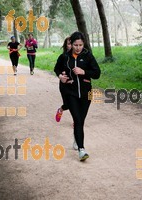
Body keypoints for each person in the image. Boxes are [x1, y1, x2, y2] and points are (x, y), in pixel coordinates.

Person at [54, 32, 101, 161]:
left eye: (80, 45)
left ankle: (76, 138)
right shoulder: (65, 57)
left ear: (83, 44)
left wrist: (84, 72)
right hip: (71, 93)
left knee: (80, 120)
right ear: (71, 44)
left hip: (87, 94)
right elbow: (57, 69)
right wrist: (60, 77)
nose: (78, 47)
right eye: (75, 45)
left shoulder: (88, 56)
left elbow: (97, 73)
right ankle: (82, 150)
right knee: (78, 120)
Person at [55, 37, 71, 122]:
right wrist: (60, 76)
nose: (71, 46)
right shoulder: (62, 57)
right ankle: (60, 110)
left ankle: (76, 121)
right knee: (67, 105)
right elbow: (56, 69)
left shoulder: (80, 58)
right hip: (64, 84)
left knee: (76, 104)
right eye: (69, 44)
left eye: (73, 43)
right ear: (66, 46)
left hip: (75, 84)